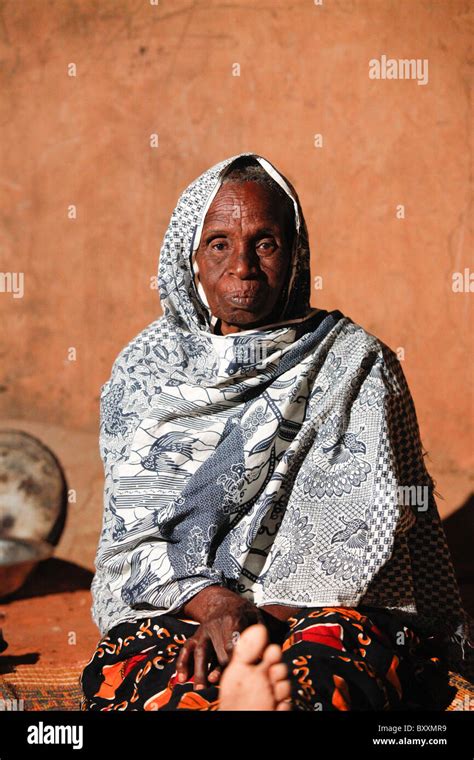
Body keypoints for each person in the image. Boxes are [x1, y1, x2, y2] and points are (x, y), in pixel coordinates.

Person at [80, 153, 474, 711]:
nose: (242, 265)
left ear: (294, 256)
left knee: (333, 668)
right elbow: (132, 539)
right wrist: (216, 607)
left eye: (264, 243)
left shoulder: (353, 361)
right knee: (136, 668)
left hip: (321, 610)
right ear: (189, 258)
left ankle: (260, 694)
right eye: (219, 243)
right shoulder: (145, 368)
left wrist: (255, 624)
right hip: (188, 610)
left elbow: (358, 536)